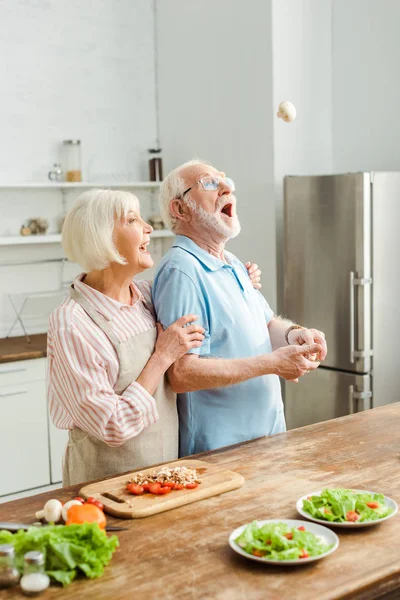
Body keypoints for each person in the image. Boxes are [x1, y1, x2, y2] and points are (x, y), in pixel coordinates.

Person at [47, 188, 262, 485]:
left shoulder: (147, 296)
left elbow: (205, 291)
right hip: (104, 490)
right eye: (133, 220)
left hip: (162, 478)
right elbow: (113, 425)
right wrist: (162, 357)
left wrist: (234, 275)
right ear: (102, 236)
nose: (148, 228)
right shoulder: (71, 323)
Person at [152, 160, 327, 457]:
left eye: (225, 179)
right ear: (180, 210)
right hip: (221, 452)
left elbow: (266, 324)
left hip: (268, 437)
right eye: (209, 183)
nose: (227, 187)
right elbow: (182, 374)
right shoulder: (181, 271)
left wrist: (295, 335)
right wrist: (272, 363)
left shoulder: (231, 262)